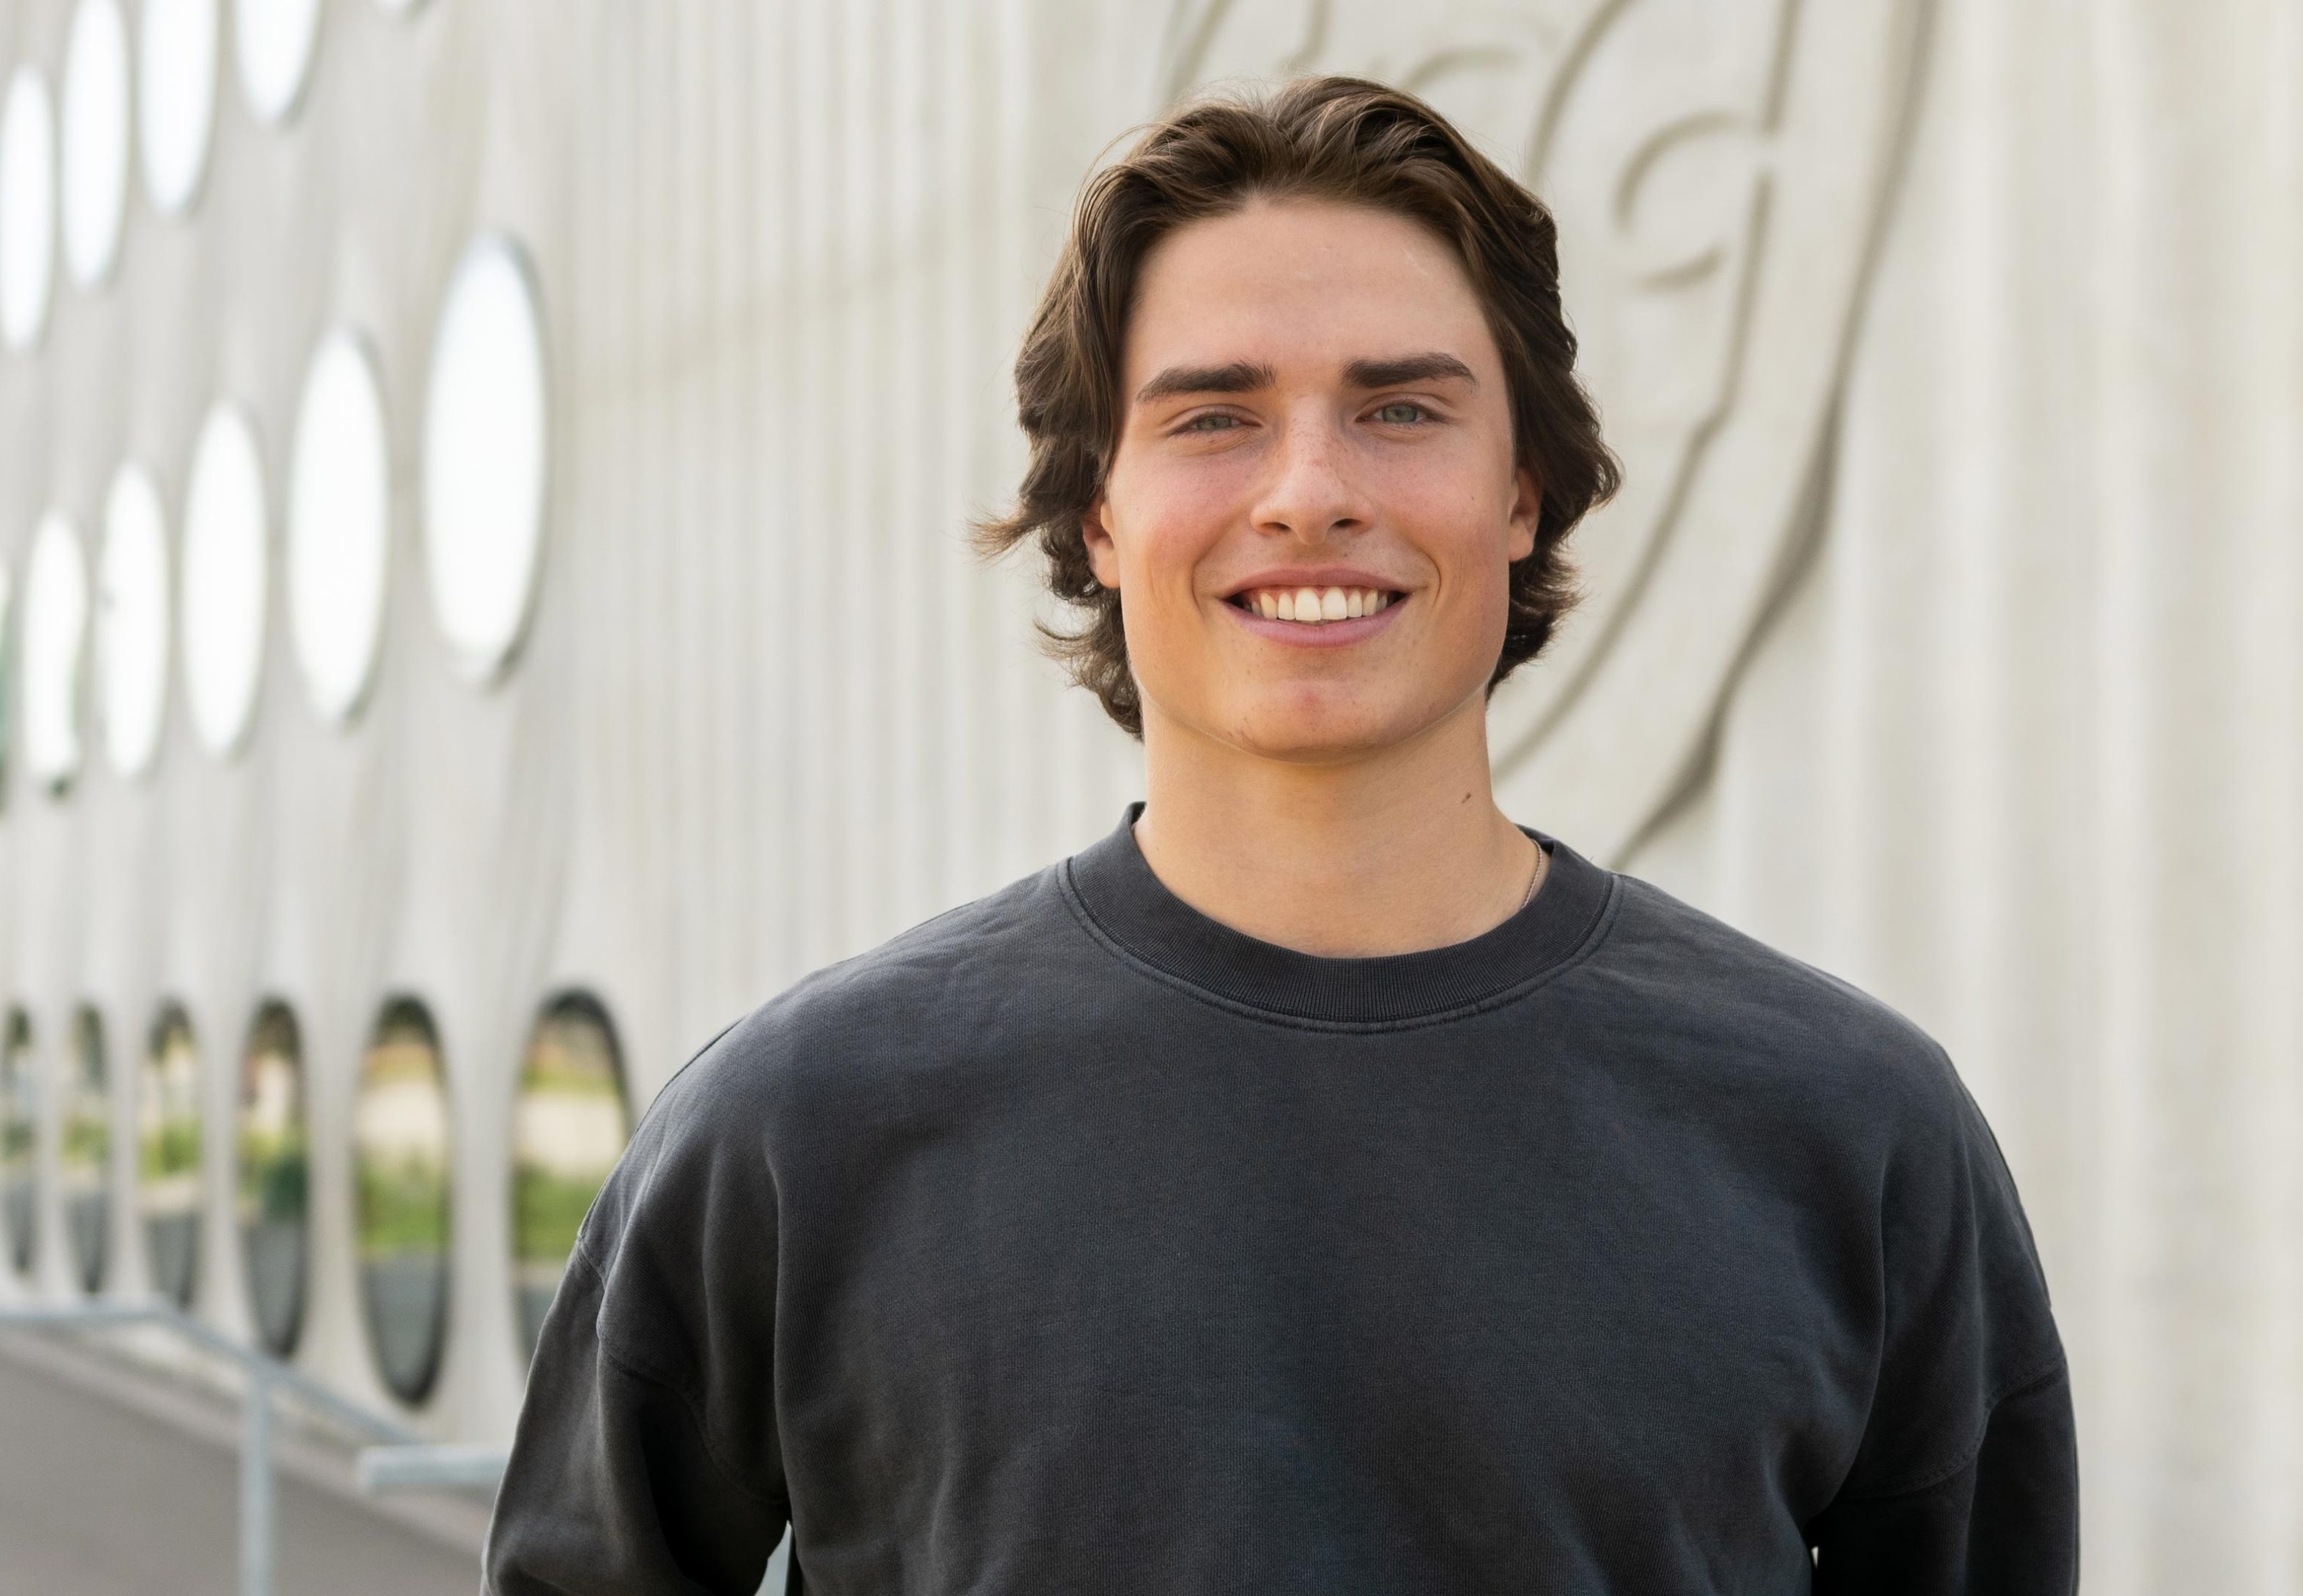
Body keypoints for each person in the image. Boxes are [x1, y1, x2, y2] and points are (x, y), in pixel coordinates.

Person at [485, 77, 2075, 1595]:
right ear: (1098, 514)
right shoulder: (798, 1131)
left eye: (1398, 408)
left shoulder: (1853, 1136)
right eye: (1215, 418)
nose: (1310, 491)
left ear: (1522, 492)